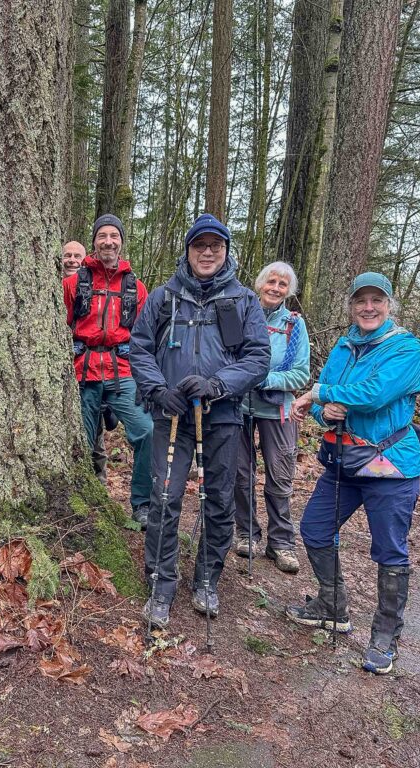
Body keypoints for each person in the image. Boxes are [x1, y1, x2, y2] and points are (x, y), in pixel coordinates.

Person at [130, 213, 269, 629]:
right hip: (171, 414)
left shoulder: (244, 300)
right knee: (165, 497)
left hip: (222, 416)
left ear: (227, 251)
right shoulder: (163, 297)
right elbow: (138, 348)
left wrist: (218, 385)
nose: (207, 253)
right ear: (188, 251)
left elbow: (259, 358)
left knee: (219, 499)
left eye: (215, 246)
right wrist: (159, 390)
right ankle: (161, 581)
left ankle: (208, 577)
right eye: (199, 246)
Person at [287, 272, 420, 675]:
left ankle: (385, 636)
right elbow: (323, 403)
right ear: (351, 306)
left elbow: (374, 394)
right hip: (343, 463)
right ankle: (332, 606)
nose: (369, 307)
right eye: (361, 300)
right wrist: (321, 408)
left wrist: (320, 394)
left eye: (377, 300)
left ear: (389, 306)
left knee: (389, 549)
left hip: (391, 467)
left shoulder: (405, 349)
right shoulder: (344, 346)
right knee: (314, 529)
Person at [63, 215, 154, 527]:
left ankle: (142, 504)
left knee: (146, 431)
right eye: (102, 236)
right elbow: (57, 328)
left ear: (122, 242)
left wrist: (146, 378)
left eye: (114, 236)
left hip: (122, 372)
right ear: (94, 241)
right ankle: (87, 505)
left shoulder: (136, 288)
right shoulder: (73, 283)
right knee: (83, 444)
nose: (108, 242)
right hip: (82, 373)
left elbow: (145, 338)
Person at [233, 262, 311, 574]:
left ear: (288, 291)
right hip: (239, 407)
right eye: (271, 281)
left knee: (280, 476)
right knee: (241, 473)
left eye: (282, 284)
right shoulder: (243, 315)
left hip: (278, 409)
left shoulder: (294, 324)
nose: (275, 288)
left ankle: (281, 542)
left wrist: (264, 379)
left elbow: (301, 373)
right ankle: (246, 532)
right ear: (260, 283)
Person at [62, 240, 117, 484]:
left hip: (89, 370)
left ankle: (99, 483)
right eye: (67, 255)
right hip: (63, 374)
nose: (72, 260)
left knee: (94, 431)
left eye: (77, 256)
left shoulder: (92, 286)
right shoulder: (46, 286)